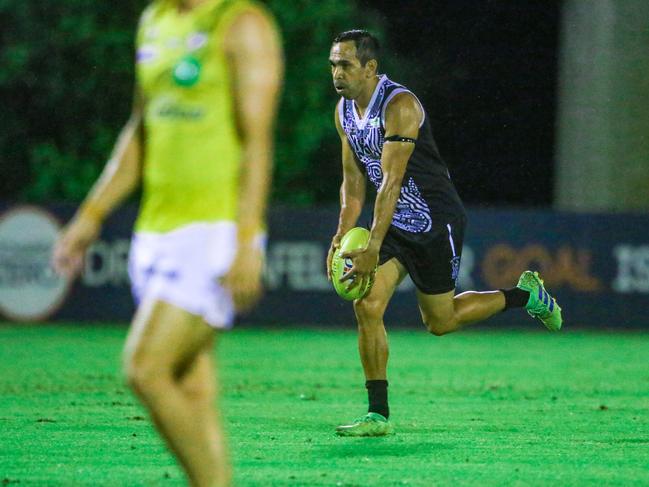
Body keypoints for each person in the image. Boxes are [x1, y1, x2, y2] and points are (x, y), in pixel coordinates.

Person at [52, 0, 283, 485]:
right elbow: (140, 130)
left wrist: (248, 239)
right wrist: (90, 216)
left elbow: (258, 143)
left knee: (145, 368)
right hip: (154, 232)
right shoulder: (154, 20)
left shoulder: (242, 25)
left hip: (211, 232)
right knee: (192, 386)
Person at [326, 30, 562, 437]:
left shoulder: (399, 105)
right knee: (366, 304)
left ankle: (526, 296)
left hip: (436, 222)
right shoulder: (344, 111)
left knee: (441, 320)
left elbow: (392, 181)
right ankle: (377, 414)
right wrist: (344, 230)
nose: (337, 72)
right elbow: (353, 181)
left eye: (345, 64)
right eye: (333, 64)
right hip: (393, 222)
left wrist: (373, 245)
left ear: (370, 68)